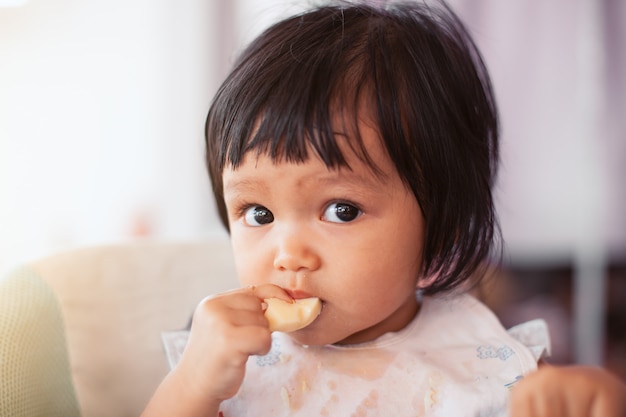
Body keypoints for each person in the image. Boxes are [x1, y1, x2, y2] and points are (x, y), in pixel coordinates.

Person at [142, 1, 626, 416]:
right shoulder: (227, 360)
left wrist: (589, 402)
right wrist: (192, 385)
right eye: (259, 214)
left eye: (341, 210)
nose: (287, 254)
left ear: (442, 231)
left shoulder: (486, 362)